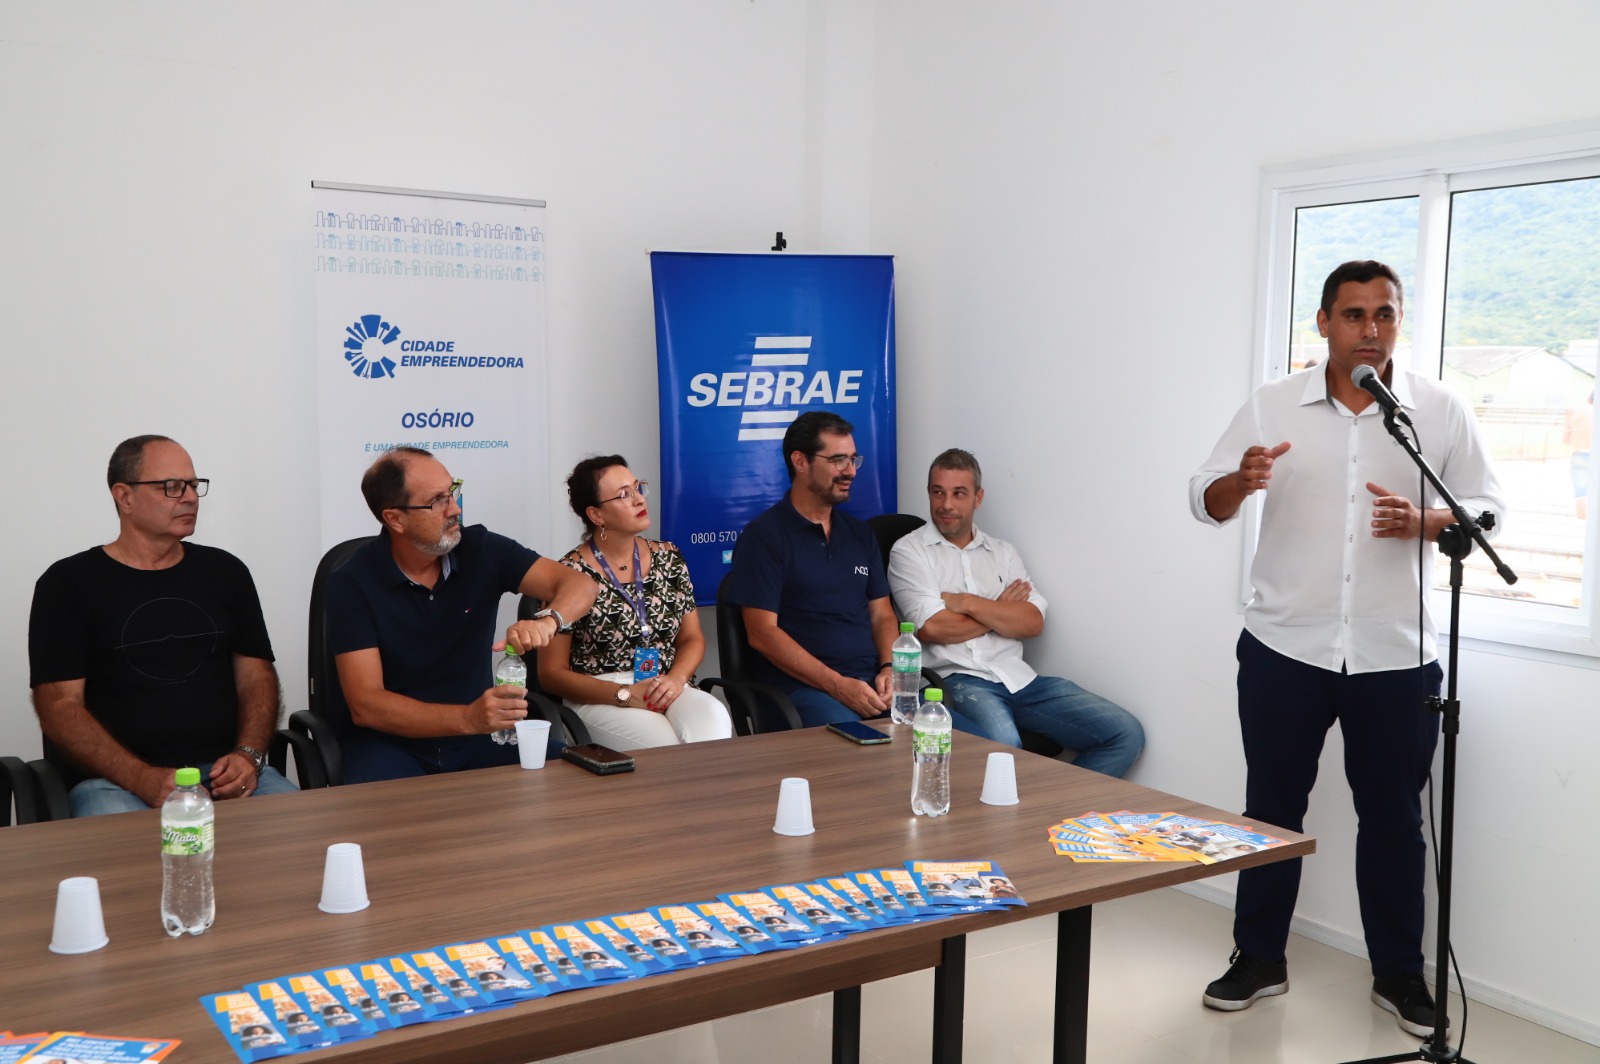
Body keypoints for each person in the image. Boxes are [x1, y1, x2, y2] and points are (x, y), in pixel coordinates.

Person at [1189, 260, 1505, 1037]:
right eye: (1354, 314)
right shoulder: (1271, 403)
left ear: (1398, 322)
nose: (1370, 328)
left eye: (1384, 314)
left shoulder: (1438, 410)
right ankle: (1258, 957)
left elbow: (1488, 508)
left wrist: (1427, 524)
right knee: (1271, 812)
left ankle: (1398, 975)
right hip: (1284, 647)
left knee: (1395, 820)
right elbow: (1204, 497)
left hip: (1395, 656)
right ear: (1324, 322)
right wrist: (1241, 481)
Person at [28, 435, 298, 816]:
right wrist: (141, 777)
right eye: (172, 486)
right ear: (124, 497)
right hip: (115, 783)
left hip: (225, 773)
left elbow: (257, 677)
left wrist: (248, 756)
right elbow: (59, 706)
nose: (190, 497)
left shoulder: (226, 572)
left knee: (300, 830)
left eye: (193, 485)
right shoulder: (67, 584)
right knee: (126, 849)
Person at [326, 447, 596, 784]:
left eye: (452, 491)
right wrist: (468, 718)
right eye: (437, 501)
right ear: (395, 519)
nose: (455, 509)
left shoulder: (480, 548)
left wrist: (550, 620)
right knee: (398, 813)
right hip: (388, 746)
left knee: (578, 778)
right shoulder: (351, 583)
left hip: (480, 741)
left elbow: (581, 584)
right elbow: (367, 705)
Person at [889, 448, 1145, 777]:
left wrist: (966, 603)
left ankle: (1058, 805)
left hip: (1020, 679)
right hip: (957, 681)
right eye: (938, 492)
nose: (947, 504)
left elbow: (1032, 622)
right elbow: (933, 628)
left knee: (1125, 733)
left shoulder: (1002, 552)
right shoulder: (909, 551)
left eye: (959, 493)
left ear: (978, 498)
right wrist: (1000, 611)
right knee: (1004, 749)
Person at [536, 456, 734, 749]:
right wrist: (624, 694)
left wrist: (676, 679)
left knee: (713, 718)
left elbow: (692, 638)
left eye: (638, 487)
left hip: (665, 682)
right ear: (596, 514)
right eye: (624, 495)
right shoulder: (569, 574)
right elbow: (551, 675)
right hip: (602, 693)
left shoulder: (669, 557)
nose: (639, 499)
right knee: (663, 746)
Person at [723, 411, 899, 727]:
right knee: (867, 748)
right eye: (837, 460)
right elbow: (762, 633)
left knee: (959, 738)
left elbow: (882, 615)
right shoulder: (764, 537)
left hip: (871, 686)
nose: (850, 471)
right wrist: (838, 685)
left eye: (853, 459)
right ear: (800, 462)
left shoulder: (860, 534)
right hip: (803, 693)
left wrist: (889, 668)